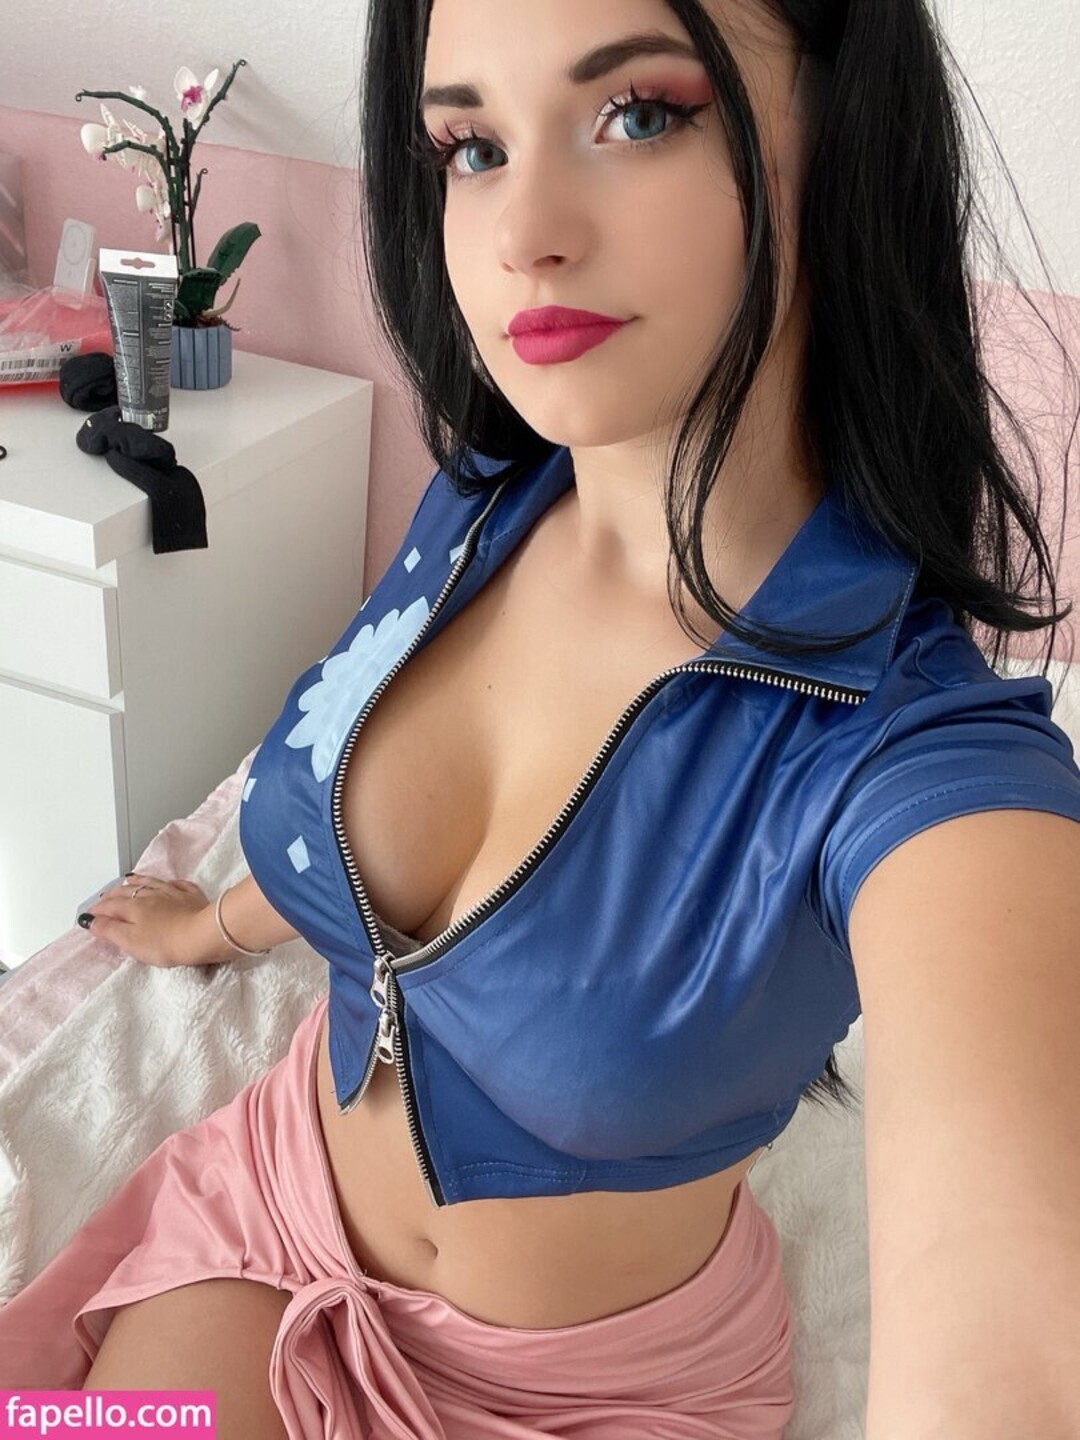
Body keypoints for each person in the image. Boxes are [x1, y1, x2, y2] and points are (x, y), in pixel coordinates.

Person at [2, 0, 1080, 1436]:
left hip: (593, 1393)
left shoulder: (926, 766)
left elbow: (1005, 1347)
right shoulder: (477, 506)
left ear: (848, 136)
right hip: (266, 1224)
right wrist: (214, 925)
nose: (522, 235)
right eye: (472, 146)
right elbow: (353, 822)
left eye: (639, 114)